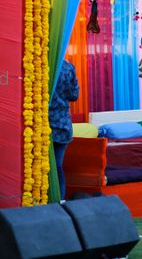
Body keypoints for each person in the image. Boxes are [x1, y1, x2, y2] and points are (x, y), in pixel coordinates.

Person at [50, 60, 80, 200]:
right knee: (57, 167)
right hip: (62, 124)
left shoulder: (40, 64)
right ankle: (60, 200)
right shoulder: (68, 67)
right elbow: (74, 95)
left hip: (39, 124)